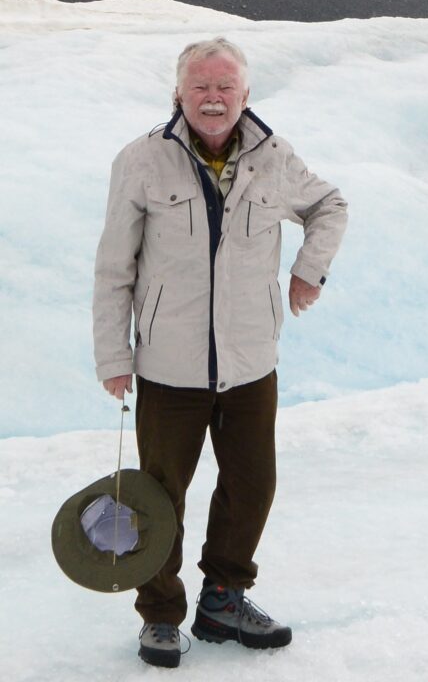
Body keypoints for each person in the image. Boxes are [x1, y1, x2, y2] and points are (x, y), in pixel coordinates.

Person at [93, 37, 347, 668]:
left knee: (251, 484)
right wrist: (113, 356)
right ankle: (160, 615)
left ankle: (224, 598)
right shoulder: (143, 161)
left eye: (225, 87)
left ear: (244, 95)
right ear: (179, 93)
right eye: (200, 86)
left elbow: (329, 206)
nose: (213, 98)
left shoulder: (273, 157)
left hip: (250, 363)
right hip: (168, 367)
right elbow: (113, 267)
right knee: (159, 495)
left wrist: (308, 270)